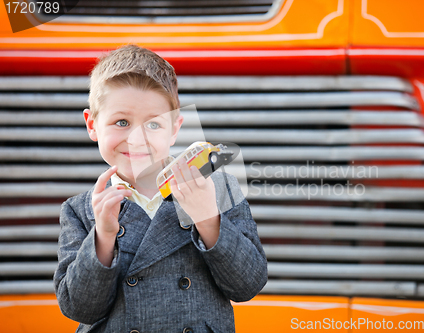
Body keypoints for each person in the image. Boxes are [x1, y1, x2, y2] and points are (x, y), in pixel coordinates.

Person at [53, 44, 268, 333]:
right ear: (92, 124)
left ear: (175, 128)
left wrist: (207, 219)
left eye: (153, 125)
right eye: (121, 122)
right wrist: (103, 237)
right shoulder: (79, 211)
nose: (137, 139)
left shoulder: (217, 187)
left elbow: (248, 285)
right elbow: (79, 308)